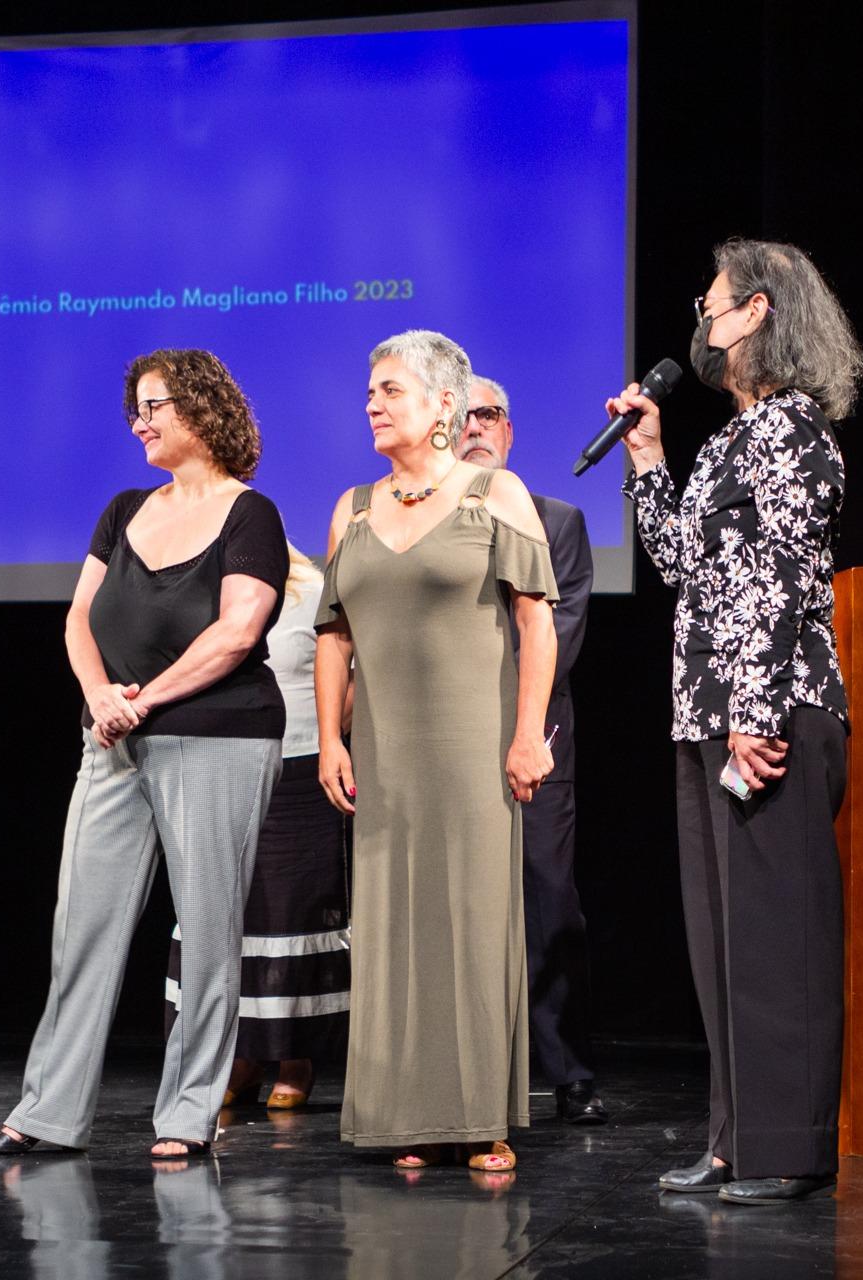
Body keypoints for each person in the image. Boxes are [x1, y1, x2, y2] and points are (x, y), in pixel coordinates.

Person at [0, 349, 287, 1162]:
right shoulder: (122, 511)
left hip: (218, 734)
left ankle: (188, 1114)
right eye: (135, 410)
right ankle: (46, 1112)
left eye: (155, 406)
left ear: (202, 408)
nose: (140, 422)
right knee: (81, 923)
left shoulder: (250, 515)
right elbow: (79, 619)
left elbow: (236, 633)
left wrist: (143, 697)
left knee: (208, 929)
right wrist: (103, 697)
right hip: (113, 740)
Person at [615, 238, 863, 1205]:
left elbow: (781, 583)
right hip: (713, 710)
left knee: (778, 938)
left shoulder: (795, 432)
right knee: (723, 937)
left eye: (712, 301)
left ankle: (789, 1147)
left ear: (758, 311)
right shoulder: (729, 438)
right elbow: (683, 564)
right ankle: (735, 1137)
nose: (701, 317)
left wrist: (757, 713)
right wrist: (648, 458)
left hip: (776, 710)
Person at [316, 329, 558, 1174]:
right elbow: (333, 638)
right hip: (383, 751)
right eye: (371, 391)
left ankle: (479, 1116)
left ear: (443, 406)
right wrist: (328, 739)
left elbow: (536, 621)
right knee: (390, 923)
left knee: (469, 917)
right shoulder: (351, 507)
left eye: (391, 390)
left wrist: (528, 734)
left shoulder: (497, 492)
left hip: (474, 747)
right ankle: (405, 1119)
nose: (373, 404)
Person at [455, 376, 606, 1126]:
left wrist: (510, 716)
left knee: (549, 899)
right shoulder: (425, 523)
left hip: (535, 730)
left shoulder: (560, 521)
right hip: (445, 738)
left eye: (489, 414)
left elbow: (562, 633)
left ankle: (568, 1072)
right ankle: (469, 1073)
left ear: (509, 430)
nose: (476, 426)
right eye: (463, 414)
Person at [168, 543, 351, 1112]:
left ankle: (296, 1058)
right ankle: (241, 1057)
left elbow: (350, 676)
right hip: (227, 764)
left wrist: (335, 742)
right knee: (234, 911)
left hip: (300, 767)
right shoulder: (213, 595)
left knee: (295, 908)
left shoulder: (315, 593)